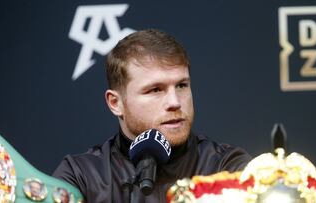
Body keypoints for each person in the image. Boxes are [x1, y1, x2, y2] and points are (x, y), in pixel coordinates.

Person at [53, 29, 251, 203]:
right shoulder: (81, 175)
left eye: (182, 85)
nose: (175, 102)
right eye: (155, 90)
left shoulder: (227, 165)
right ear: (116, 103)